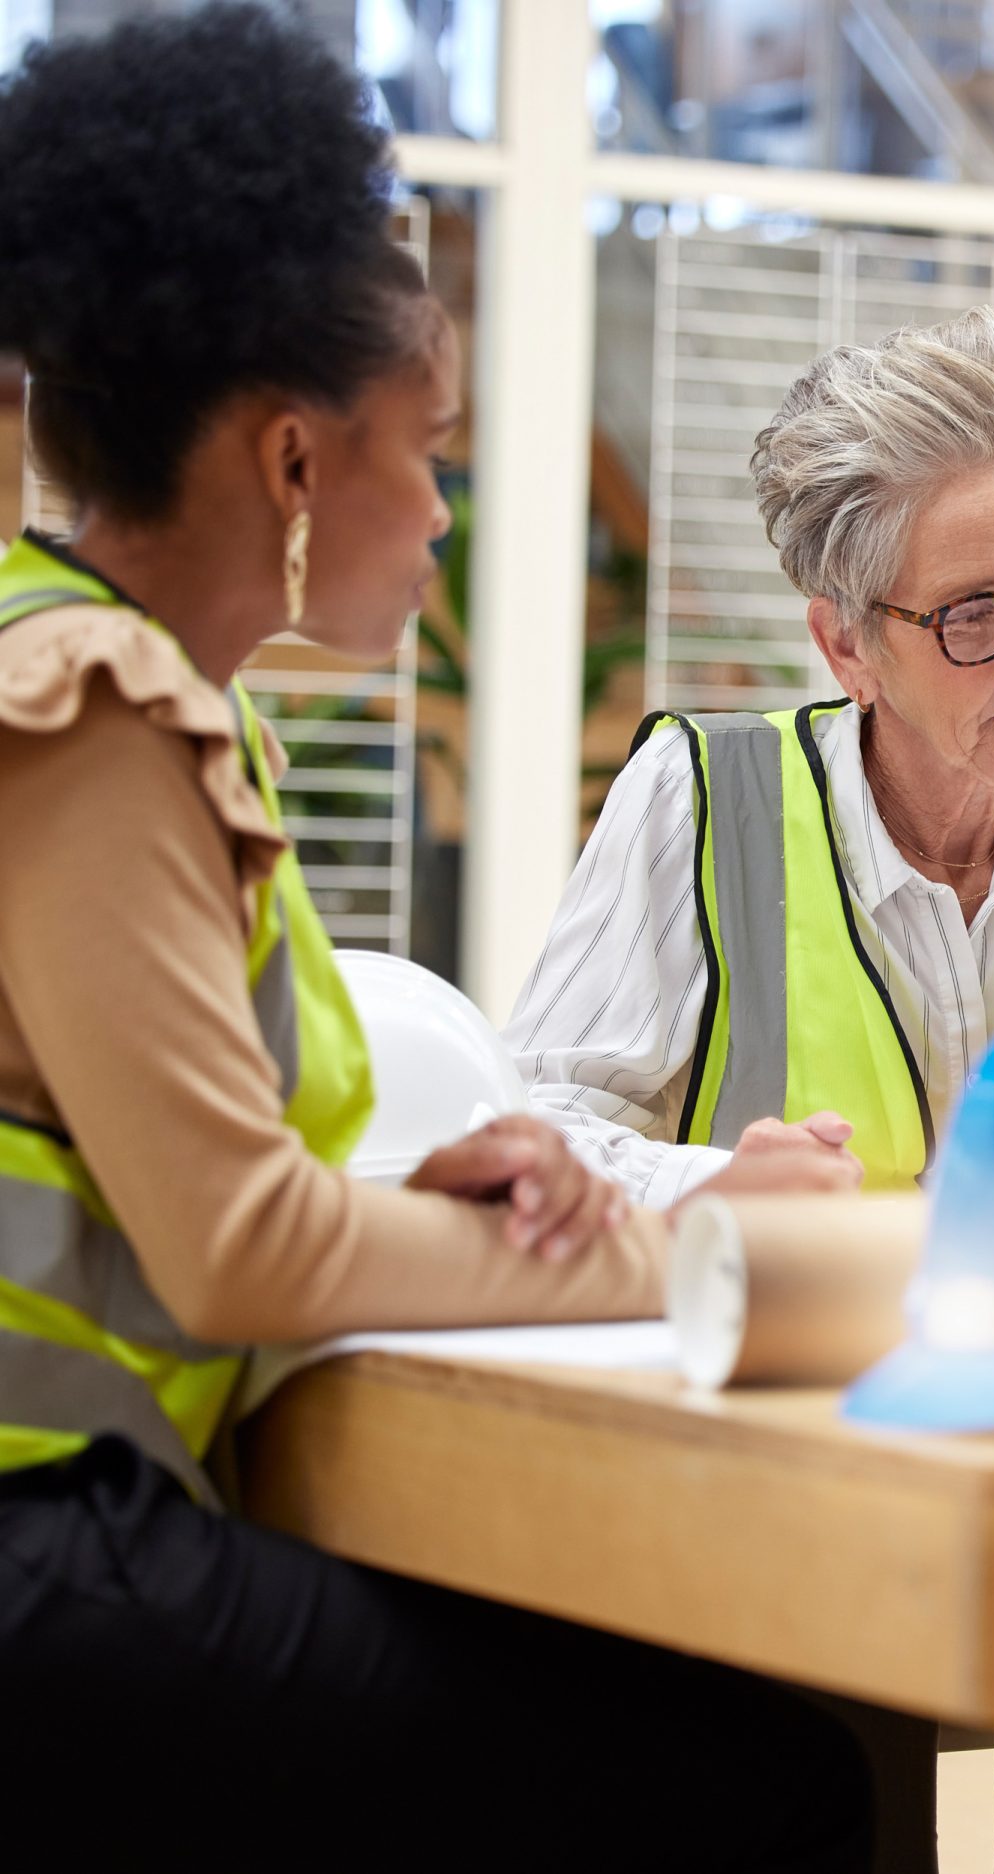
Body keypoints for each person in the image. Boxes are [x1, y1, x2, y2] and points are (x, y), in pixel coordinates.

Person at [0, 10, 880, 1860]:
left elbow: (148, 1153)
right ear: (295, 461)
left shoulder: (137, 693)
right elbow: (238, 1250)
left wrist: (434, 1183)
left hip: (86, 1523)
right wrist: (683, 1241)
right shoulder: (82, 705)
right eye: (436, 453)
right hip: (37, 1557)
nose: (448, 516)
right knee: (770, 1776)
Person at [506, 308, 994, 1204]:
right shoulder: (707, 799)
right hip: (782, 1328)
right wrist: (710, 1184)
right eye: (974, 616)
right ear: (848, 648)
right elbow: (532, 1121)